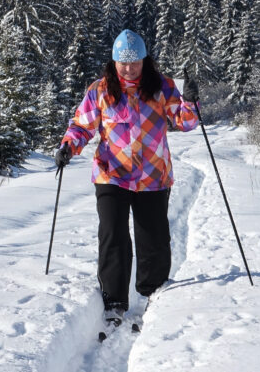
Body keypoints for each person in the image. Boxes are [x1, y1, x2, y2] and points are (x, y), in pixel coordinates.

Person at [55, 29, 199, 327]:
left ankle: (151, 294)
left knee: (154, 239)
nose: (129, 68)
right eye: (123, 62)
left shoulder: (162, 87)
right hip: (112, 174)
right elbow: (82, 126)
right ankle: (114, 301)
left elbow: (185, 122)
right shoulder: (100, 90)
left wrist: (191, 102)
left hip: (153, 176)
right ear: (114, 61)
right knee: (113, 235)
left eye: (135, 62)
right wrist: (69, 146)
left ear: (145, 61)